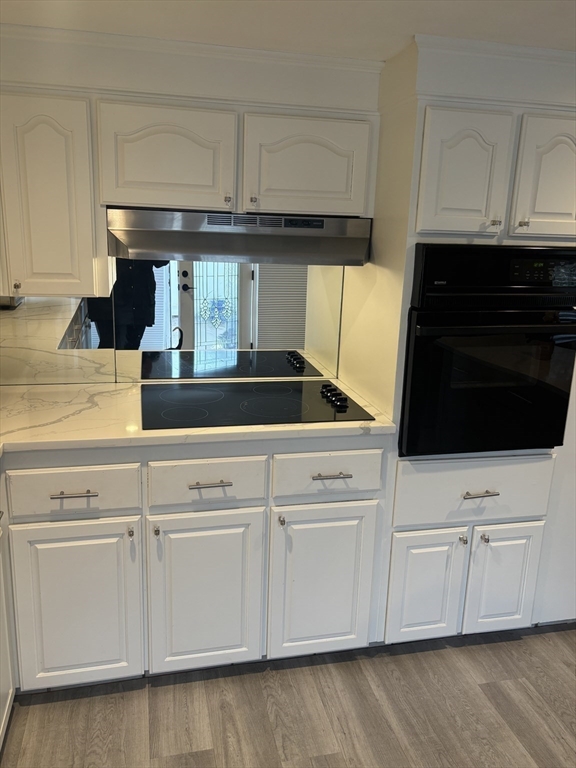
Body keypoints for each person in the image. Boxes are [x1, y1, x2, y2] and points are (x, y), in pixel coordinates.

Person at [88, 258, 168, 349]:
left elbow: (161, 261)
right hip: (107, 300)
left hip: (139, 300)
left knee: (132, 347)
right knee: (108, 346)